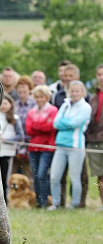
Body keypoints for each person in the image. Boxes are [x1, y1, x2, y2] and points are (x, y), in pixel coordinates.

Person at [48, 80, 91, 210]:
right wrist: (66, 123)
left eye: (77, 91)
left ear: (82, 92)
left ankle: (74, 204)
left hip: (75, 146)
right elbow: (55, 123)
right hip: (61, 145)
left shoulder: (85, 107)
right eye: (72, 91)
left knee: (75, 177)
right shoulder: (65, 105)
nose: (75, 93)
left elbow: (75, 123)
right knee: (55, 176)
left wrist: (64, 123)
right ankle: (56, 203)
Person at [25, 85, 57, 208]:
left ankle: (44, 200)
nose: (39, 99)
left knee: (42, 174)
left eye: (41, 97)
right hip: (33, 148)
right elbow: (28, 130)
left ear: (47, 97)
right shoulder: (31, 111)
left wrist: (36, 126)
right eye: (37, 97)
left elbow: (51, 127)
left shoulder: (53, 110)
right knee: (35, 175)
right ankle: (39, 201)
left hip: (47, 148)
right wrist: (42, 125)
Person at [0, 95, 24, 201]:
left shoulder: (15, 118)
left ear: (11, 104)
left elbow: (20, 136)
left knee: (4, 177)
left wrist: (7, 139)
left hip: (7, 152)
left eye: (5, 103)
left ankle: (4, 200)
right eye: (1, 103)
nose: (3, 106)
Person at [13, 75, 36, 179]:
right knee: (13, 175)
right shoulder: (15, 105)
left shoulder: (34, 104)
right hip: (16, 145)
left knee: (29, 175)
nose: (21, 90)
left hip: (29, 144)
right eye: (19, 87)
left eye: (24, 87)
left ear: (30, 89)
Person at [87, 64, 103, 209]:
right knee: (100, 174)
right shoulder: (93, 97)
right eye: (99, 74)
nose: (101, 77)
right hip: (95, 140)